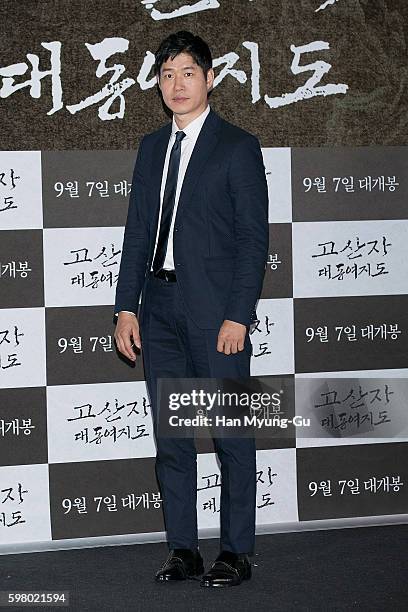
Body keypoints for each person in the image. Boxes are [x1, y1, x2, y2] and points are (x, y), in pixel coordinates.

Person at [113, 30, 268, 588]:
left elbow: (254, 241)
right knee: (172, 438)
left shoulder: (237, 146)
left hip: (215, 315)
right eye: (167, 74)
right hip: (157, 310)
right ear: (159, 84)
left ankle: (236, 552)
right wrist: (124, 308)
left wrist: (238, 315)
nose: (176, 84)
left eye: (187, 73)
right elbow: (136, 233)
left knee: (229, 435)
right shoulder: (152, 147)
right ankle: (184, 550)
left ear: (209, 78)